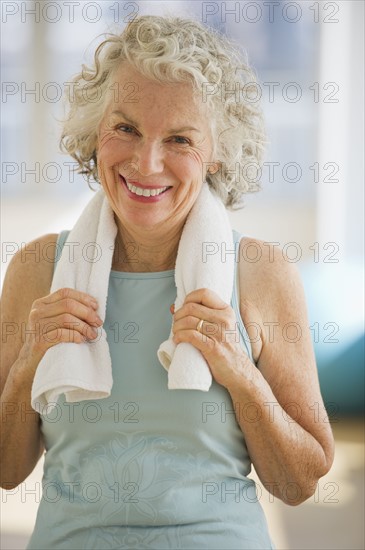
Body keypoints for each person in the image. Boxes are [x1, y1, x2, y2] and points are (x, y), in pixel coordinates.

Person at [0, 15, 334, 550]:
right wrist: (25, 366)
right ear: (94, 130)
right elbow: (6, 471)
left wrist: (241, 373)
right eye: (126, 128)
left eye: (179, 138)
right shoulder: (37, 270)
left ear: (218, 151)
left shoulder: (262, 273)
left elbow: (300, 482)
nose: (146, 162)